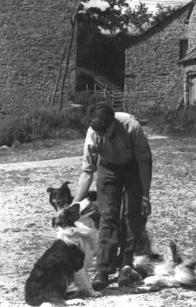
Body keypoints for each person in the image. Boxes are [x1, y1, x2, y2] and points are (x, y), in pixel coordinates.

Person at [72, 102, 152, 290]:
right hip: (108, 168)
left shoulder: (132, 126)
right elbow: (87, 172)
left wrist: (145, 196)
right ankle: (103, 269)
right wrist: (74, 205)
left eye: (105, 133)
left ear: (113, 122)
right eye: (98, 134)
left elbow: (144, 162)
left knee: (132, 215)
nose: (101, 137)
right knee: (108, 216)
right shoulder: (93, 134)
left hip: (133, 168)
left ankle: (126, 265)